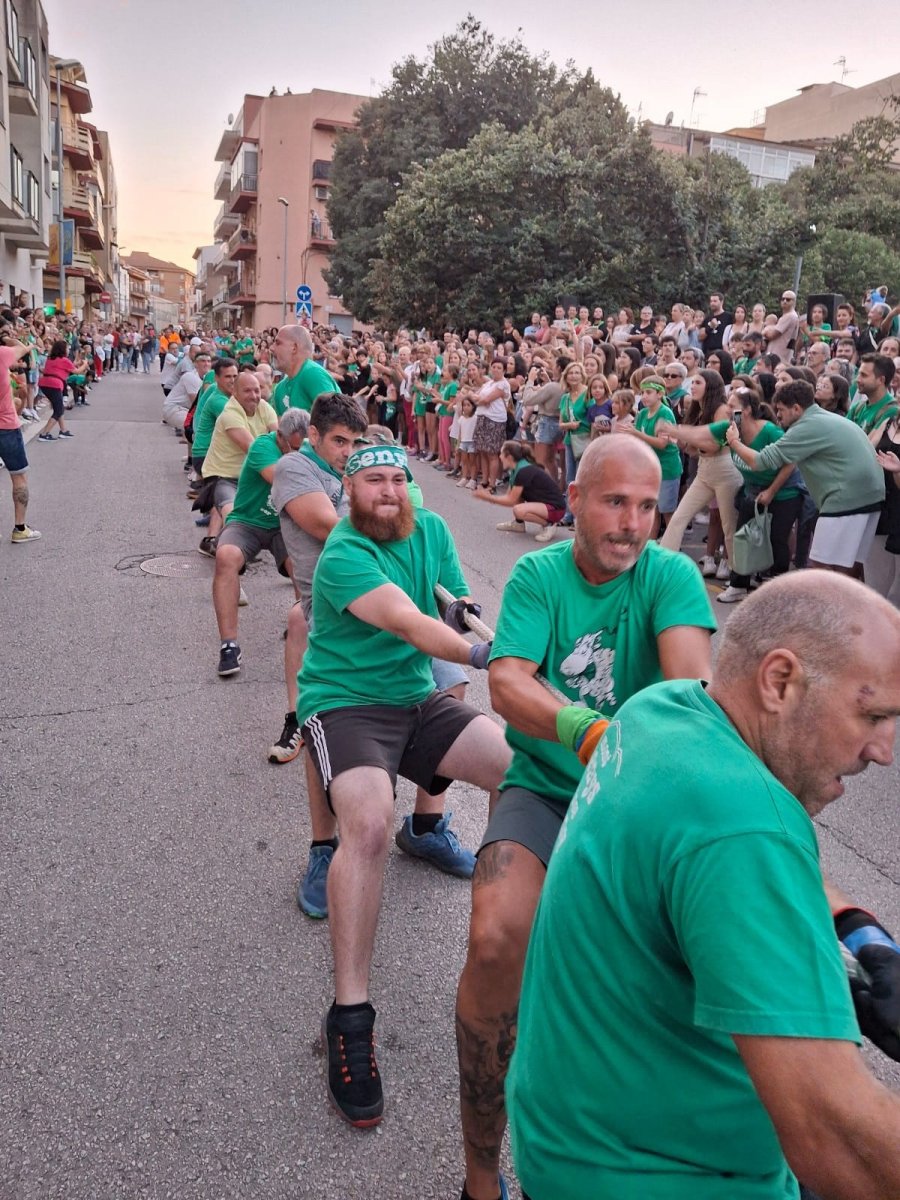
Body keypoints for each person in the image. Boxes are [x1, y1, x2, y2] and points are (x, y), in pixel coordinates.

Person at [508, 572, 900, 1200]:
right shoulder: (743, 826)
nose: (884, 749)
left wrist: (859, 927)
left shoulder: (659, 711)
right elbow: (836, 1139)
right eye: (873, 713)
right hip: (660, 1174)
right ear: (779, 681)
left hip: (567, 1136)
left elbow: (723, 844)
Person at [455, 436, 716, 1200]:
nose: (634, 523)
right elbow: (506, 683)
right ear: (573, 499)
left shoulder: (670, 575)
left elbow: (688, 690)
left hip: (640, 801)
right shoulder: (540, 574)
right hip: (545, 787)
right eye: (614, 501)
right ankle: (479, 1175)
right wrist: (589, 731)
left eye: (647, 505)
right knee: (496, 934)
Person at [297, 442, 512, 1128]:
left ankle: (505, 944)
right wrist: (491, 655)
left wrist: (472, 621)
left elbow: (449, 605)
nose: (389, 491)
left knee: (520, 767)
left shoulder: (433, 530)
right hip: (346, 702)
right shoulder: (343, 553)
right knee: (366, 823)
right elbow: (409, 622)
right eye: (374, 481)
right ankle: (350, 1016)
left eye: (398, 479)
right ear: (349, 489)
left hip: (416, 701)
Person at [726, 379, 884, 576]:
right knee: (847, 568)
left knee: (819, 565)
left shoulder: (806, 426)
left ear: (796, 408)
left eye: (781, 410)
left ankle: (825, 607)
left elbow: (760, 462)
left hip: (846, 498)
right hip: (869, 495)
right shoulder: (822, 418)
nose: (778, 415)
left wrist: (734, 441)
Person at [663, 386, 803, 602]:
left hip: (784, 493)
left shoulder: (769, 431)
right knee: (741, 538)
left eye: (732, 406)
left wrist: (772, 491)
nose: (727, 409)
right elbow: (701, 432)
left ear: (746, 410)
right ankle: (738, 585)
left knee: (777, 540)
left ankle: (777, 589)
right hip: (752, 491)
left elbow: (791, 461)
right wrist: (673, 429)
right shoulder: (729, 427)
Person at [212, 408, 305, 678]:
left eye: (301, 449)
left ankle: (303, 632)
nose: (296, 455)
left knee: (301, 565)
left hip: (283, 526)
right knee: (225, 556)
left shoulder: (302, 449)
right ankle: (229, 646)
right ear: (280, 437)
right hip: (248, 521)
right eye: (292, 448)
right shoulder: (262, 447)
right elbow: (282, 479)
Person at [659, 368, 743, 577]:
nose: (692, 387)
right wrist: (681, 442)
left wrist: (678, 432)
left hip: (725, 469)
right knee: (680, 516)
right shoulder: (697, 409)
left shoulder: (722, 410)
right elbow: (697, 449)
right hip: (706, 470)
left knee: (729, 525)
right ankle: (663, 563)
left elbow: (714, 446)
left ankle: (736, 575)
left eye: (698, 383)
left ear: (710, 386)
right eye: (693, 382)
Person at [471, 440, 566, 542]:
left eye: (502, 454)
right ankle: (519, 523)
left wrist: (487, 497)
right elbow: (510, 496)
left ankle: (549, 525)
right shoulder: (516, 469)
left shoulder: (523, 471)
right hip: (547, 506)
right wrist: (488, 496)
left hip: (556, 509)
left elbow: (510, 500)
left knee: (518, 510)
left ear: (510, 457)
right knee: (518, 501)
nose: (500, 457)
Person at [0, 335, 41, 542]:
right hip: (6, 426)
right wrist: (8, 338)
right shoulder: (2, 354)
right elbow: (23, 348)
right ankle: (20, 529)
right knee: (19, 477)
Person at [271, 324, 339, 414]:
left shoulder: (313, 375)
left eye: (278, 343)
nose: (271, 348)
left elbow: (336, 419)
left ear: (294, 348)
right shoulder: (280, 389)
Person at [36, 339, 77, 441]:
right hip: (54, 385)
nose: (68, 350)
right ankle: (44, 434)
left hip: (44, 384)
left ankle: (63, 430)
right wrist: (85, 364)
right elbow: (77, 371)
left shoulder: (50, 359)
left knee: (58, 407)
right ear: (63, 349)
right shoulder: (64, 360)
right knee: (58, 410)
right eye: (67, 348)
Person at [764, 288, 800, 365]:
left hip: (779, 356)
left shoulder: (790, 316)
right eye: (783, 299)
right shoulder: (788, 316)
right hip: (780, 355)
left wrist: (765, 331)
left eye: (788, 299)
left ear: (794, 302)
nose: (784, 301)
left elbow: (772, 335)